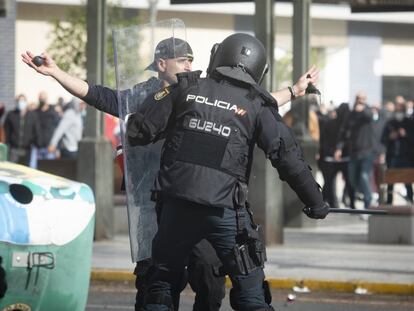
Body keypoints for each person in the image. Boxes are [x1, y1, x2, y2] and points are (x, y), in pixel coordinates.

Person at [126, 33, 329, 311]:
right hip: (225, 214)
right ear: (259, 69)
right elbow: (287, 157)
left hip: (175, 209)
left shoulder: (186, 88)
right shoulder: (256, 103)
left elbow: (138, 131)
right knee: (251, 296)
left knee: (160, 288)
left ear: (217, 57)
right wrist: (315, 203)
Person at [22, 39, 226, 311]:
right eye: (182, 60)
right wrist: (57, 72)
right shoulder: (144, 95)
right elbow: (100, 96)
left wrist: (293, 91)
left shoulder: (199, 92)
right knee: (156, 284)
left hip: (193, 199)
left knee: (209, 274)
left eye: (190, 59)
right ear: (161, 64)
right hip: (153, 200)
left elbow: (242, 107)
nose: (189, 65)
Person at [335, 92, 375, 211]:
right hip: (354, 152)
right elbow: (343, 131)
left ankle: (368, 203)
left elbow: (369, 116)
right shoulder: (351, 115)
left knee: (363, 176)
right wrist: (339, 148)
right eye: (358, 99)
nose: (360, 101)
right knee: (352, 179)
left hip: (367, 151)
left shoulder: (368, 112)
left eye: (363, 99)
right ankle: (363, 194)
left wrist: (362, 109)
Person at [381, 101, 414, 204]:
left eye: (401, 111)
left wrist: (406, 135)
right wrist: (390, 137)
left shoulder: (409, 123)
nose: (399, 113)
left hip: (407, 157)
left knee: (407, 180)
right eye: (397, 111)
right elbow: (383, 139)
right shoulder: (390, 123)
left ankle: (410, 200)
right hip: (393, 156)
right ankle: (389, 201)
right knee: (391, 180)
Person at [4, 94, 42, 166]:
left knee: (25, 170)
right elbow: (7, 131)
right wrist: (6, 144)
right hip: (14, 149)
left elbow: (37, 130)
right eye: (19, 101)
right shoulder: (11, 114)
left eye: (23, 101)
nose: (21, 103)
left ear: (26, 102)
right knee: (13, 169)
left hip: (27, 149)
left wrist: (38, 143)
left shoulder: (32, 115)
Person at [36, 91, 60, 160]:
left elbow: (58, 128)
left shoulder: (53, 111)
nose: (42, 100)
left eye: (43, 98)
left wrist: (56, 146)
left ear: (47, 99)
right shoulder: (36, 112)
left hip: (50, 146)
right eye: (40, 99)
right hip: (39, 146)